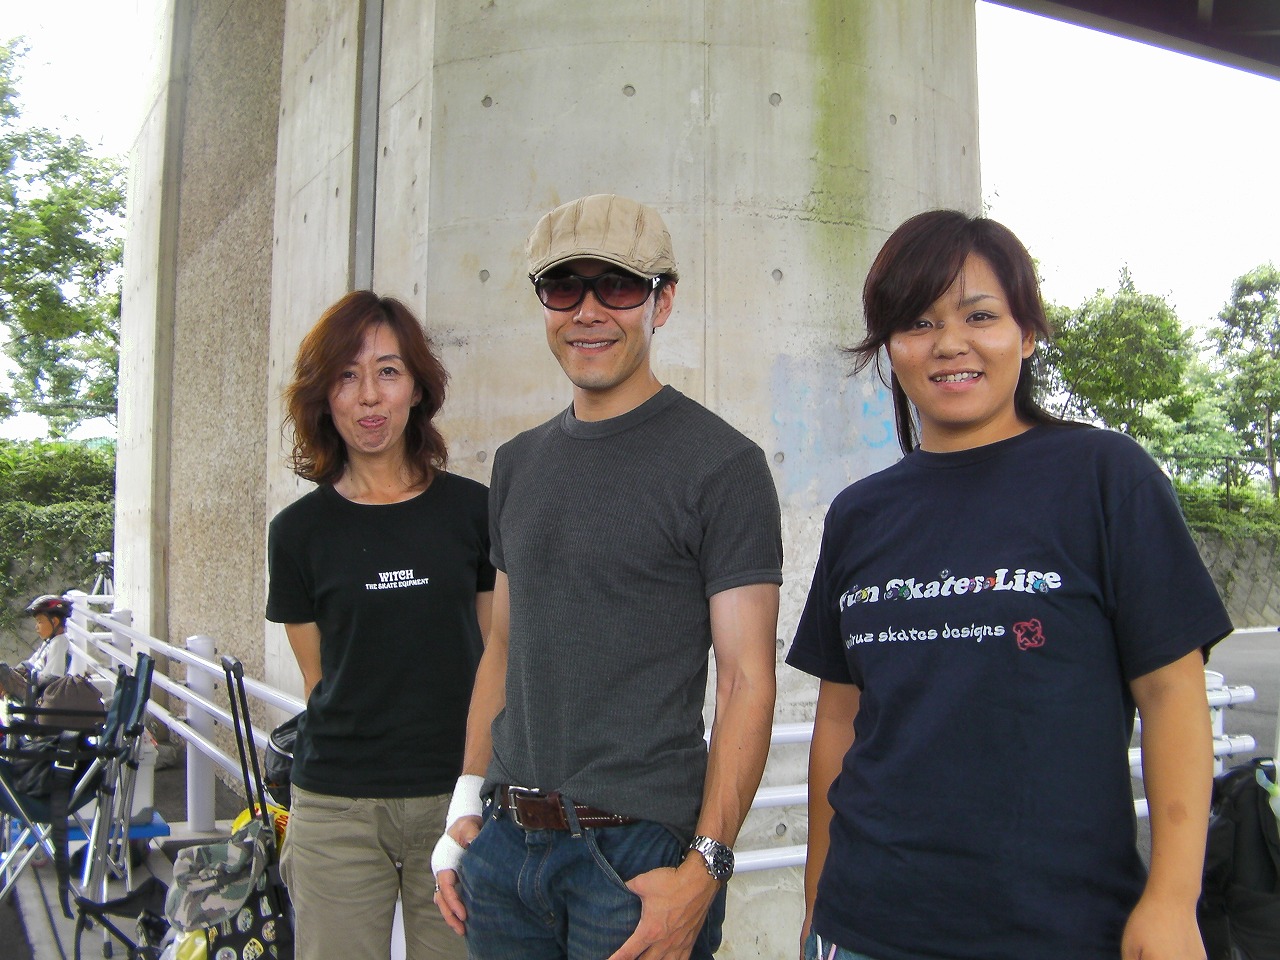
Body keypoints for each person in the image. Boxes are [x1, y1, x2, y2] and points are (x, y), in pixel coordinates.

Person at [786, 209, 1233, 960]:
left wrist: (1171, 899)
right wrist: (816, 902)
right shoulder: (859, 514)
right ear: (890, 345)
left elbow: (1172, 694)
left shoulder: (1104, 476)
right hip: (863, 925)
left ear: (1026, 334)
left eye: (980, 316)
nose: (949, 343)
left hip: (1056, 930)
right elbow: (840, 720)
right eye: (918, 322)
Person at [431, 193, 784, 960]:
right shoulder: (517, 463)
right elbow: (503, 646)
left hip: (636, 860)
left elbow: (746, 682)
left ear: (663, 302)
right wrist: (464, 810)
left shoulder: (724, 466)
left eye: (618, 286)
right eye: (564, 287)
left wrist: (705, 871)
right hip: (504, 847)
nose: (588, 311)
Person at [267, 290, 495, 960]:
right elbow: (320, 680)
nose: (369, 396)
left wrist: (479, 787)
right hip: (336, 804)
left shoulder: (474, 512)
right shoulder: (297, 533)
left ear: (417, 388)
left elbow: (496, 659)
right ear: (324, 396)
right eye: (347, 375)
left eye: (388, 371)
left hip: (455, 800)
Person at [0, 595, 73, 701]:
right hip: (30, 684)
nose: (36, 627)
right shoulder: (49, 642)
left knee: (1, 669)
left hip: (34, 693)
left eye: (40, 622)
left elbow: (51, 678)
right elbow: (30, 664)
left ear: (54, 622)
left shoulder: (59, 642)